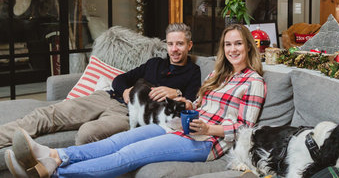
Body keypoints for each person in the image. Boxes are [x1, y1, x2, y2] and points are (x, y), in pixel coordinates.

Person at [6, 24, 267, 178]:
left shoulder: (253, 82)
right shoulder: (217, 75)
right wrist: (188, 105)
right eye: (228, 44)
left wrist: (208, 127)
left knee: (128, 154)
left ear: (248, 47)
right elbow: (198, 105)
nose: (233, 49)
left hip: (207, 142)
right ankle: (54, 155)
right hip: (179, 126)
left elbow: (245, 128)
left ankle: (53, 171)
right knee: (116, 141)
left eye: (238, 44)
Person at [0, 23, 201, 149]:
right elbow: (119, 79)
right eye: (170, 44)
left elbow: (191, 104)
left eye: (180, 44)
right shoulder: (154, 63)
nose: (174, 49)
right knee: (46, 114)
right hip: (107, 98)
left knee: (88, 133)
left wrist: (177, 92)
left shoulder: (193, 72)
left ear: (189, 45)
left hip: (130, 115)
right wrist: (124, 91)